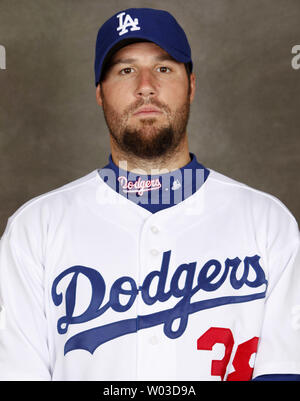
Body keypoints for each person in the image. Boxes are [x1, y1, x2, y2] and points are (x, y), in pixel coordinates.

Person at [0, 7, 299, 381]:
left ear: (191, 85)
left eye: (163, 68)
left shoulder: (268, 224)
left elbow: (285, 371)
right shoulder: (34, 230)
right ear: (99, 93)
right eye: (125, 70)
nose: (145, 85)